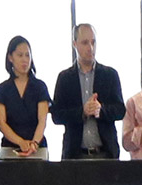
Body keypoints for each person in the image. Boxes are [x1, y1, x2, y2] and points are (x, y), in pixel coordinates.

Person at [49, 23, 124, 160]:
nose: (90, 48)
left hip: (106, 153)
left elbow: (120, 110)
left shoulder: (110, 75)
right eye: (85, 43)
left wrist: (101, 110)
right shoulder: (65, 78)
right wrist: (82, 112)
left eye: (93, 42)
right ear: (74, 44)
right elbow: (57, 115)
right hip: (75, 155)